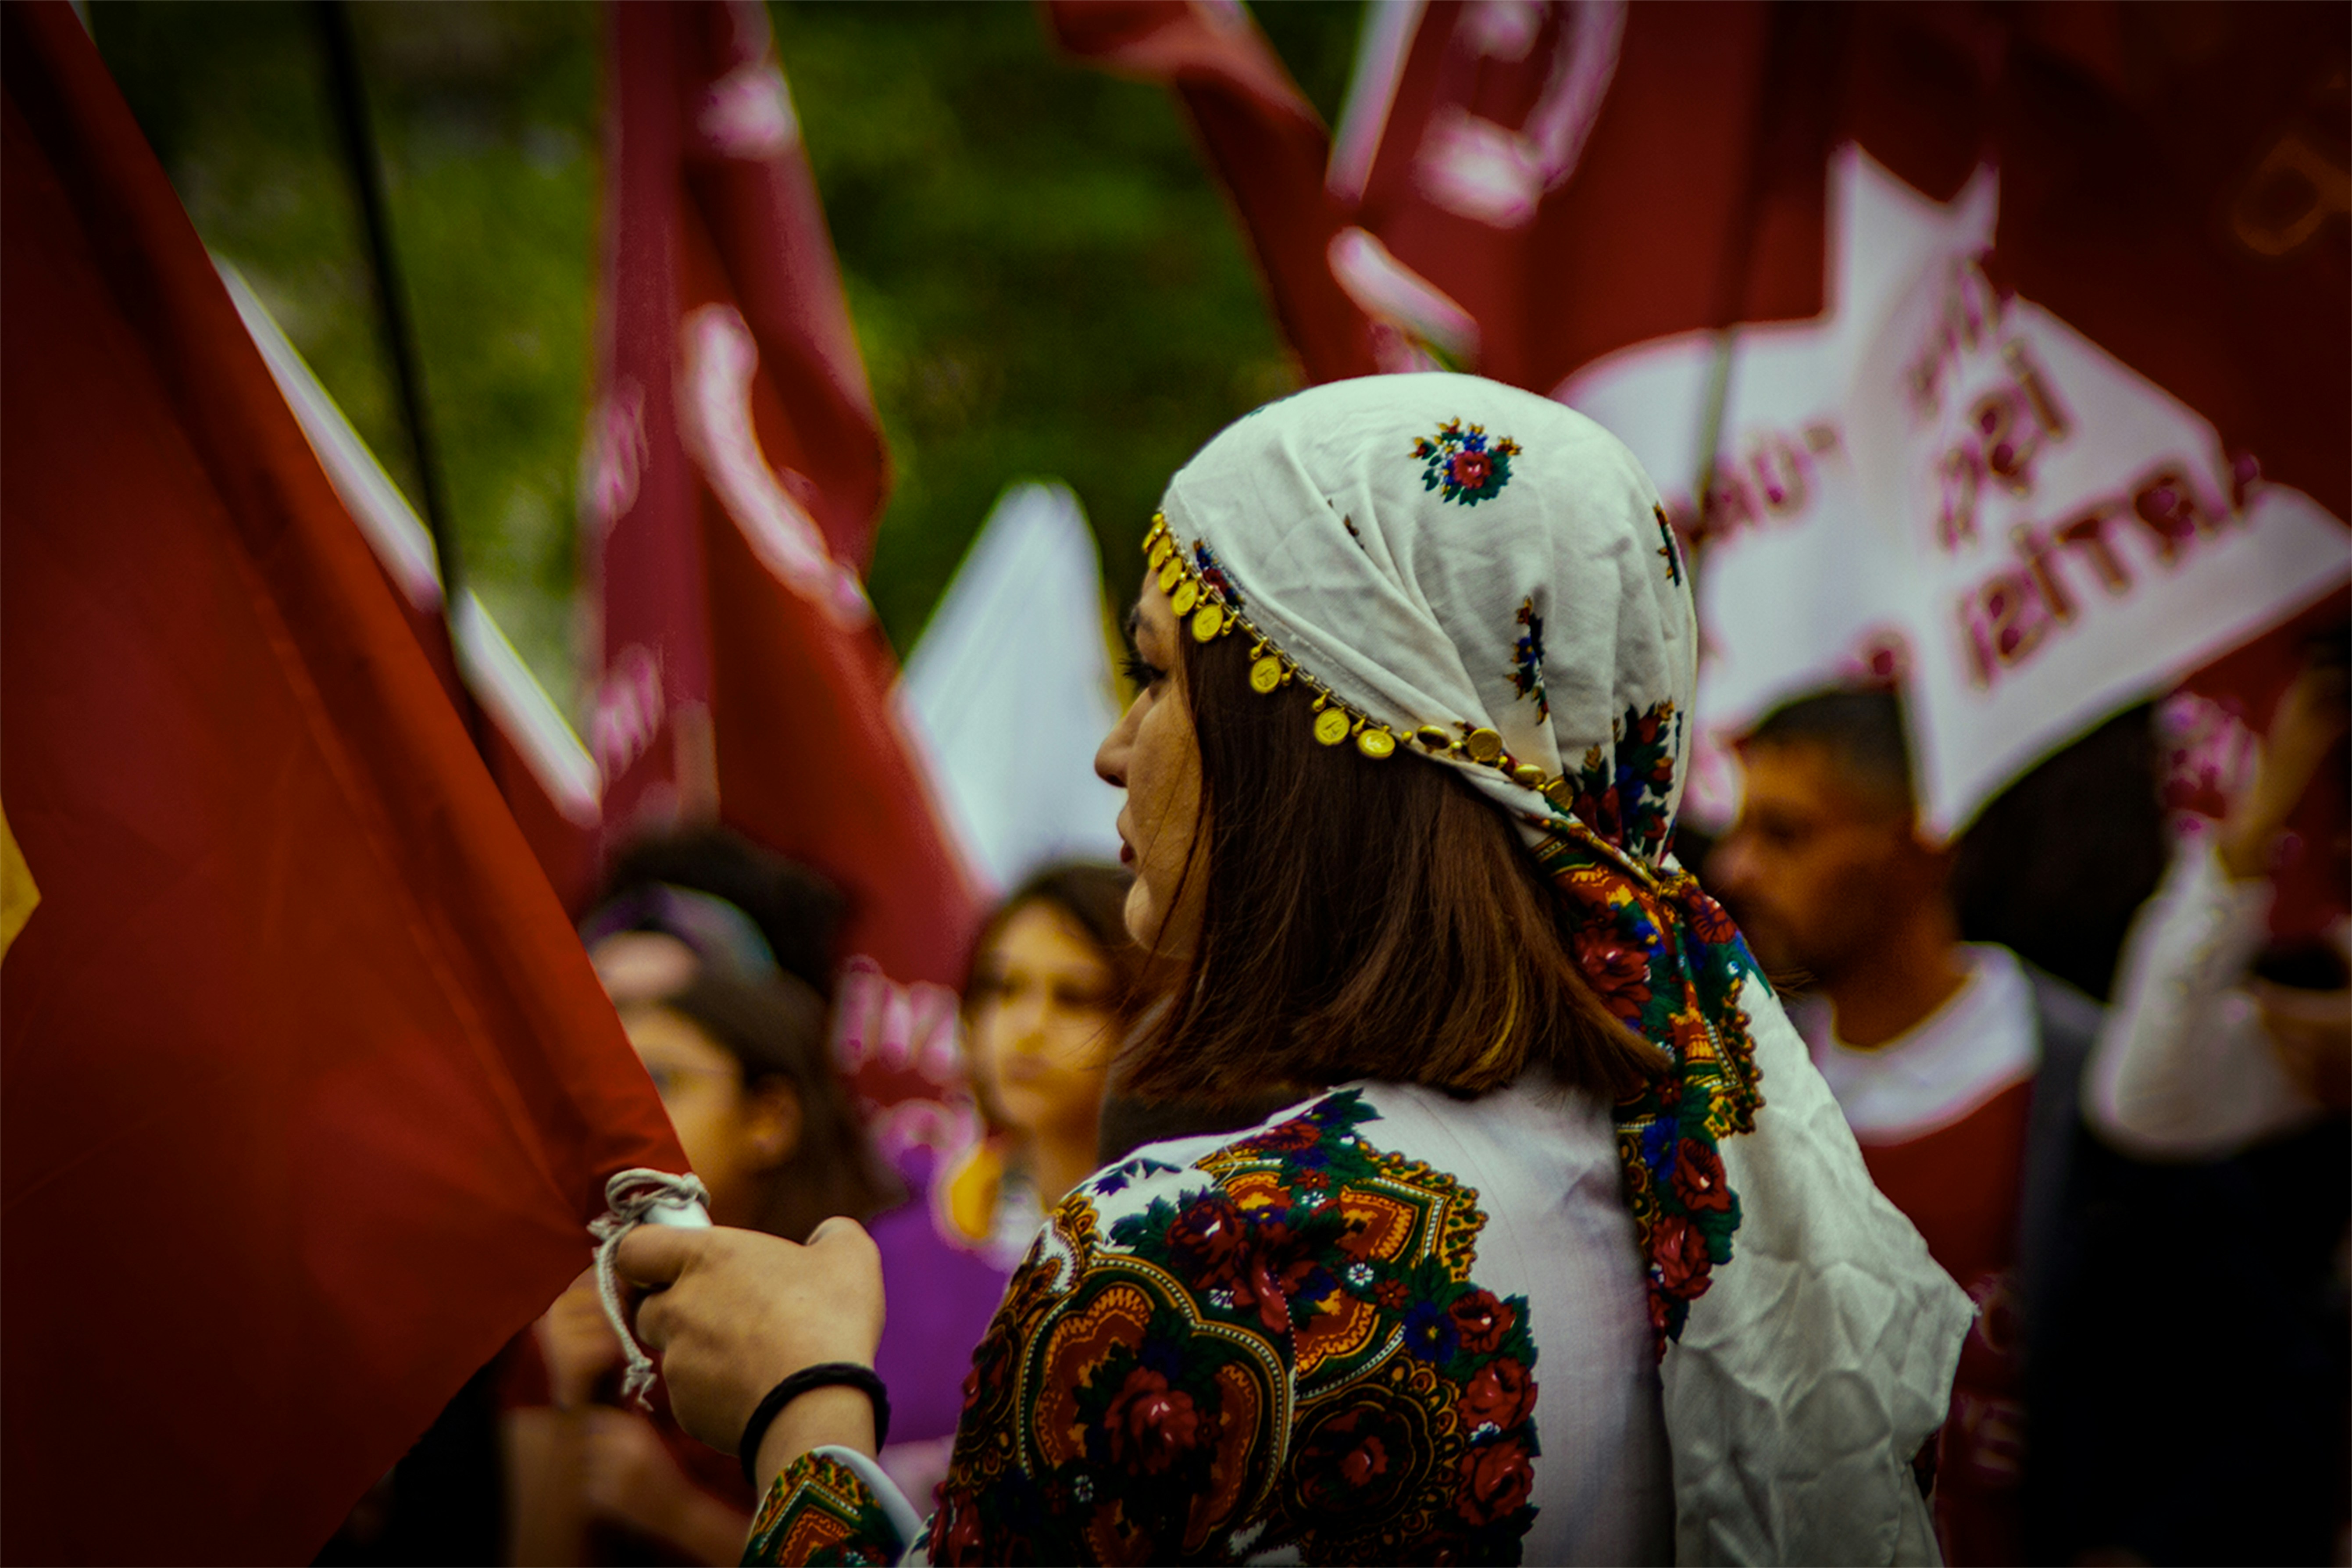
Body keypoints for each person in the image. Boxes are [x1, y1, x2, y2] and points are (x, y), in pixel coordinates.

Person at [615, 375, 1970, 1565]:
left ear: (1312, 736)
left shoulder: (1199, 1260)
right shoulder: (1724, 1203)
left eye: (1155, 675)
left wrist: (799, 1410)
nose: (1113, 748)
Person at [1704, 687, 2103, 1565]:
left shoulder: (2087, 1089)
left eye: (1784, 834)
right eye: (1739, 831)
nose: (1734, 868)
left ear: (1919, 846)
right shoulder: (1737, 1097)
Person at [507, 970, 897, 1565]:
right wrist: (563, 1394)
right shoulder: (584, 1298)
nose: (618, 1120)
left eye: (661, 1081)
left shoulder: (864, 1295)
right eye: (611, 1091)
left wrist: (679, 1514)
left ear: (769, 1119)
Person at [942, 864, 1142, 1264]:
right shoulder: (939, 1224)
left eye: (1075, 997)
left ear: (1148, 1020)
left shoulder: (1189, 1229)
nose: (1029, 1027)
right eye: (1004, 988)